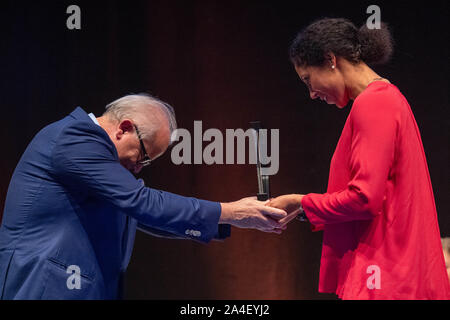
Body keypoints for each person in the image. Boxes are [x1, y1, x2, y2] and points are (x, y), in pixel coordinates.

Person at [0, 94, 287, 299]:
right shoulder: (76, 139)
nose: (138, 168)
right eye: (143, 156)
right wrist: (229, 211)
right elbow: (141, 202)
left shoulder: (90, 153)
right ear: (124, 128)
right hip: (47, 285)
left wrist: (235, 219)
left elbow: (138, 213)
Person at [269, 18, 450, 299]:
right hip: (392, 273)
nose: (312, 94)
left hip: (384, 276)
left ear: (331, 59)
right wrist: (304, 210)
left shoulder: (374, 103)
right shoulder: (386, 99)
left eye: (308, 79)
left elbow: (364, 198)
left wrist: (299, 200)